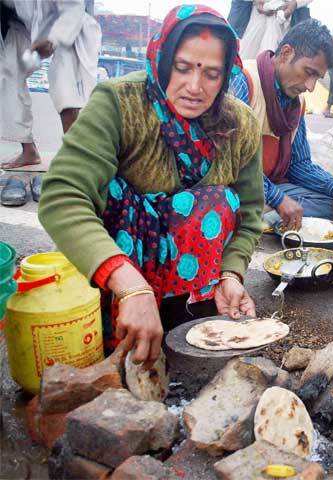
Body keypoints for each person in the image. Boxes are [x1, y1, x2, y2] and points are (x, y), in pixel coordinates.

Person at [38, 5, 264, 366]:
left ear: (226, 76)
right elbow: (63, 196)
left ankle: (182, 318)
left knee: (220, 202)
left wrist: (231, 273)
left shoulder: (240, 124)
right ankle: (118, 322)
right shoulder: (118, 103)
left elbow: (251, 214)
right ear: (163, 59)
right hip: (120, 265)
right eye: (183, 67)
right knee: (110, 191)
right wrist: (129, 284)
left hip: (189, 269)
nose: (194, 86)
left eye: (211, 74)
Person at [229, 19, 333, 231]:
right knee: (226, 203)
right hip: (237, 186)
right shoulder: (245, 81)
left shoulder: (296, 104)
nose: (310, 86)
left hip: (269, 186)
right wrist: (278, 198)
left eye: (317, 77)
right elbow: (233, 162)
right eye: (309, 72)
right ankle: (266, 217)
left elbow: (299, 164)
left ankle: (267, 218)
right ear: (286, 53)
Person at [0, 0, 101, 169]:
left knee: (64, 78)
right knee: (6, 72)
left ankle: (75, 156)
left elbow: (73, 8)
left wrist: (53, 39)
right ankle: (29, 151)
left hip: (70, 21)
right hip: (23, 26)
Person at [239, 0, 314, 61]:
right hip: (258, 13)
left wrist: (296, 3)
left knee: (275, 58)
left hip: (284, 17)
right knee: (247, 54)